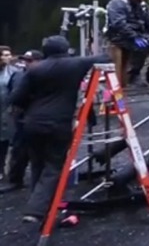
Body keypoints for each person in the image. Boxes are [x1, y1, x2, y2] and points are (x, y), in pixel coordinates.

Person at [9, 36, 110, 223]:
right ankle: (36, 210)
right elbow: (105, 58)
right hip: (59, 122)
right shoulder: (75, 64)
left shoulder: (34, 70)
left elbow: (17, 98)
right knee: (54, 166)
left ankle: (42, 208)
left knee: (38, 164)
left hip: (32, 122)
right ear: (66, 49)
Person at [0, 50, 43, 194]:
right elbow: (14, 95)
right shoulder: (19, 74)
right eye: (25, 60)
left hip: (39, 118)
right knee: (18, 150)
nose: (26, 63)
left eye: (30, 61)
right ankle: (16, 179)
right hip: (22, 117)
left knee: (40, 153)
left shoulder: (46, 75)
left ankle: (40, 183)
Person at [0, 45, 19, 182]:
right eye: (4, 55)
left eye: (8, 55)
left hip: (7, 110)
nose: (7, 57)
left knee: (5, 141)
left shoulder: (14, 71)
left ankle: (3, 168)